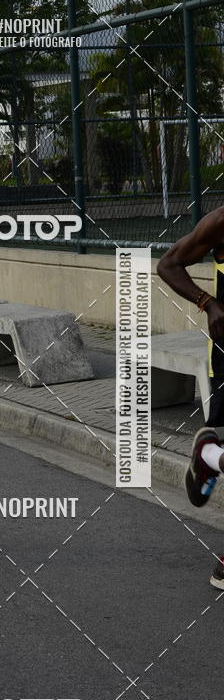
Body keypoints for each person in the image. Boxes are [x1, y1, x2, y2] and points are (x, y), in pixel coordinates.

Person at [157, 207, 224, 589]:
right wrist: (208, 303)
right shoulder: (220, 222)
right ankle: (209, 454)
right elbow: (168, 264)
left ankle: (208, 456)